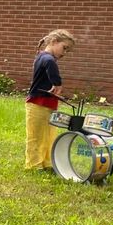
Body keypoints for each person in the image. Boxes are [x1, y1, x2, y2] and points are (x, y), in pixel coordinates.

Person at [24, 29, 76, 170]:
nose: (64, 53)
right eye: (64, 48)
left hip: (48, 103)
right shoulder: (46, 58)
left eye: (67, 51)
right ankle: (34, 165)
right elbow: (50, 64)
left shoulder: (45, 57)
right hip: (37, 103)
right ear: (54, 42)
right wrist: (57, 83)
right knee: (36, 137)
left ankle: (47, 162)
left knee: (48, 135)